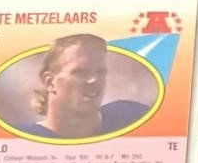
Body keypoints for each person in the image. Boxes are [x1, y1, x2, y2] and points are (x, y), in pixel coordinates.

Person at [15, 33, 149, 139]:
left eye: (100, 72)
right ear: (50, 82)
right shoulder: (23, 138)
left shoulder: (132, 115)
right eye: (80, 72)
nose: (94, 80)